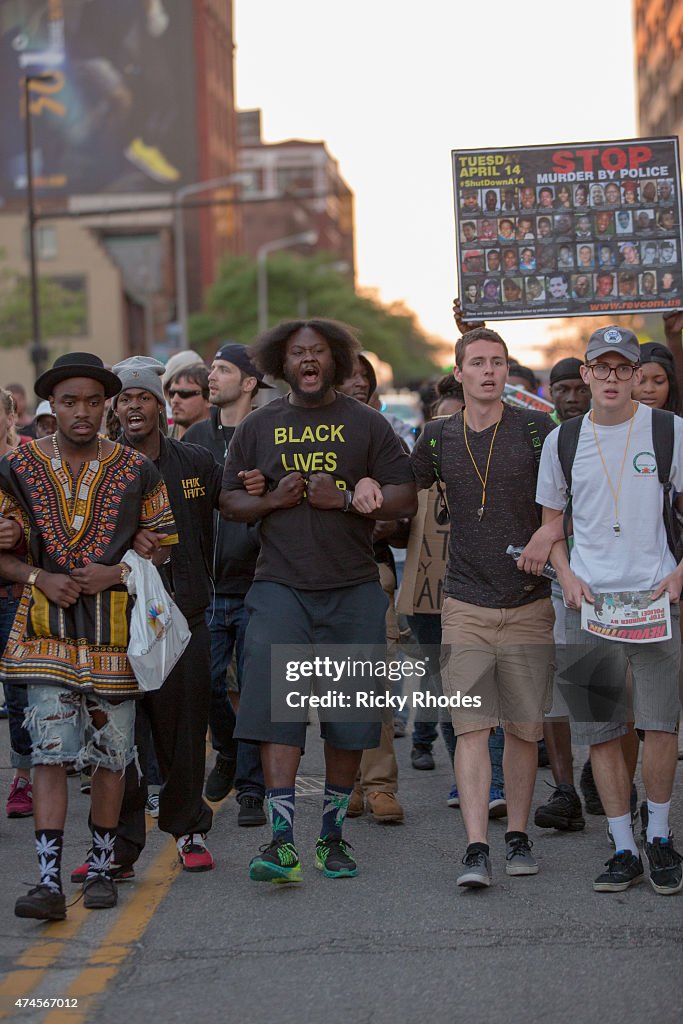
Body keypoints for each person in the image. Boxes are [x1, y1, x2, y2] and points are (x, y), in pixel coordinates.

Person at [220, 319, 416, 883]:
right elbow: (229, 499)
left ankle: (331, 836)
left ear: (337, 361)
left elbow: (404, 494)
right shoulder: (259, 425)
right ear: (282, 364)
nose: (309, 360)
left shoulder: (368, 424)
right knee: (276, 708)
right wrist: (273, 501)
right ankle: (283, 842)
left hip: (353, 587)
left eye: (319, 352)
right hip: (279, 585)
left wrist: (353, 500)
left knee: (351, 718)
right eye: (298, 353)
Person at [0, 353, 177, 921]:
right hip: (45, 633)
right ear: (52, 406)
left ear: (108, 405)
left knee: (110, 755)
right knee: (51, 756)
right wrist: (38, 575)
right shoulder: (19, 467)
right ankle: (48, 881)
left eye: (93, 402)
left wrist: (117, 571)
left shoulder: (134, 469)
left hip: (114, 633)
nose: (82, 412)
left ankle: (102, 869)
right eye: (70, 402)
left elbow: (165, 540)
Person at [411, 326, 563, 889]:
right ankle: (476, 846)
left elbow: (579, 493)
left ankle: (517, 833)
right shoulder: (436, 437)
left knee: (524, 730)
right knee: (472, 726)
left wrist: (551, 533)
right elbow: (407, 492)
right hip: (464, 600)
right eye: (477, 362)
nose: (489, 371)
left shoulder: (535, 428)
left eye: (497, 362)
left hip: (529, 600)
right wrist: (368, 489)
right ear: (459, 373)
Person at [537, 326, 683, 895]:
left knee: (659, 725)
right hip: (588, 605)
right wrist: (567, 576)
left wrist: (678, 577)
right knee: (600, 730)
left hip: (655, 602)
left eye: (626, 369)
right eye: (605, 368)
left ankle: (662, 838)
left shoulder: (669, 431)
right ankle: (623, 845)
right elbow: (550, 523)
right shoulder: (563, 441)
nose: (615, 378)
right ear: (588, 375)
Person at [183, 343, 272, 825]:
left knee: (257, 688)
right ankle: (233, 752)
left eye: (221, 370)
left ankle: (253, 791)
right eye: (211, 369)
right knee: (209, 683)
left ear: (249, 382)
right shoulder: (196, 435)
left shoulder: (267, 432)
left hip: (261, 580)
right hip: (208, 586)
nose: (210, 377)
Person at [338, 353, 407, 824]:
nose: (358, 384)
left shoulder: (385, 436)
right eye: (350, 378)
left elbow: (406, 515)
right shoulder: (306, 435)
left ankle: (380, 786)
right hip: (317, 577)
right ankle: (348, 787)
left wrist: (384, 521)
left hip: (372, 573)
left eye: (365, 379)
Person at [533, 358, 591, 833]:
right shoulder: (546, 438)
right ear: (549, 394)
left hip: (606, 584)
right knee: (554, 697)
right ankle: (566, 789)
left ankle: (605, 775)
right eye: (562, 389)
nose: (571, 398)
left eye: (579, 387)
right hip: (554, 582)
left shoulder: (617, 435)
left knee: (601, 690)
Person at [0, 388, 33, 820]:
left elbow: (46, 523)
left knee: (20, 694)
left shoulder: (23, 464)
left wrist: (18, 535)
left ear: (10, 416)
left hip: (15, 595)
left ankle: (24, 776)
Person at [632, 341, 683, 416]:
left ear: (671, 384)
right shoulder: (612, 423)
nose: (649, 389)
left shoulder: (678, 425)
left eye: (659, 381)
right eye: (641, 381)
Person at [167, 363, 210, 440]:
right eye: (172, 394)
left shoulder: (226, 440)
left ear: (209, 399)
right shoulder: (159, 439)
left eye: (185, 394)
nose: (175, 400)